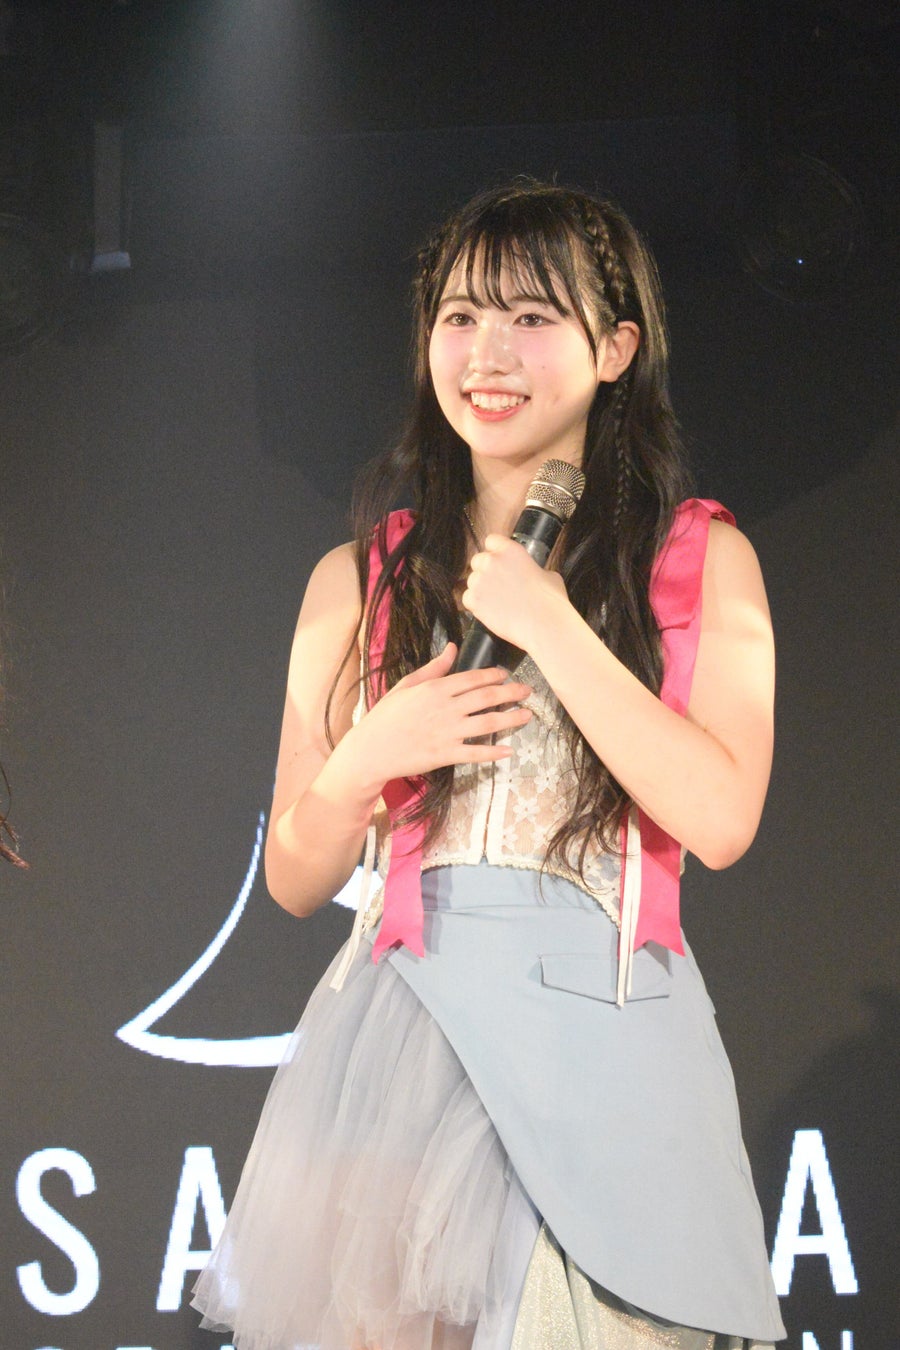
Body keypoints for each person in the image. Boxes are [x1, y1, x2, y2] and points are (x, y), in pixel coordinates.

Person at [193, 179, 786, 1349]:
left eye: (532, 317)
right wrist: (370, 756)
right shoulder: (357, 579)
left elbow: (721, 818)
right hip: (408, 1038)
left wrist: (552, 622)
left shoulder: (699, 559)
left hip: (607, 1031)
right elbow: (298, 878)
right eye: (460, 316)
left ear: (615, 349)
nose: (487, 353)